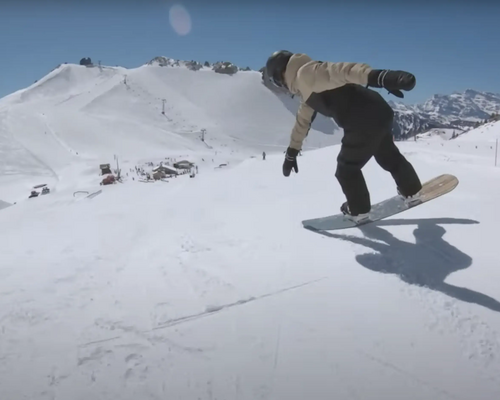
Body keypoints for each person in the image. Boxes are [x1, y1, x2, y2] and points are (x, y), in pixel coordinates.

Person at [265, 50, 423, 222]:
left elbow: (342, 71)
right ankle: (411, 190)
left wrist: (382, 77)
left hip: (361, 123)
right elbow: (302, 121)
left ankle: (359, 210)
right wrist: (292, 152)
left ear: (280, 74)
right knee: (388, 155)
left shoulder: (306, 73)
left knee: (347, 169)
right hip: (380, 112)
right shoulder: (306, 88)